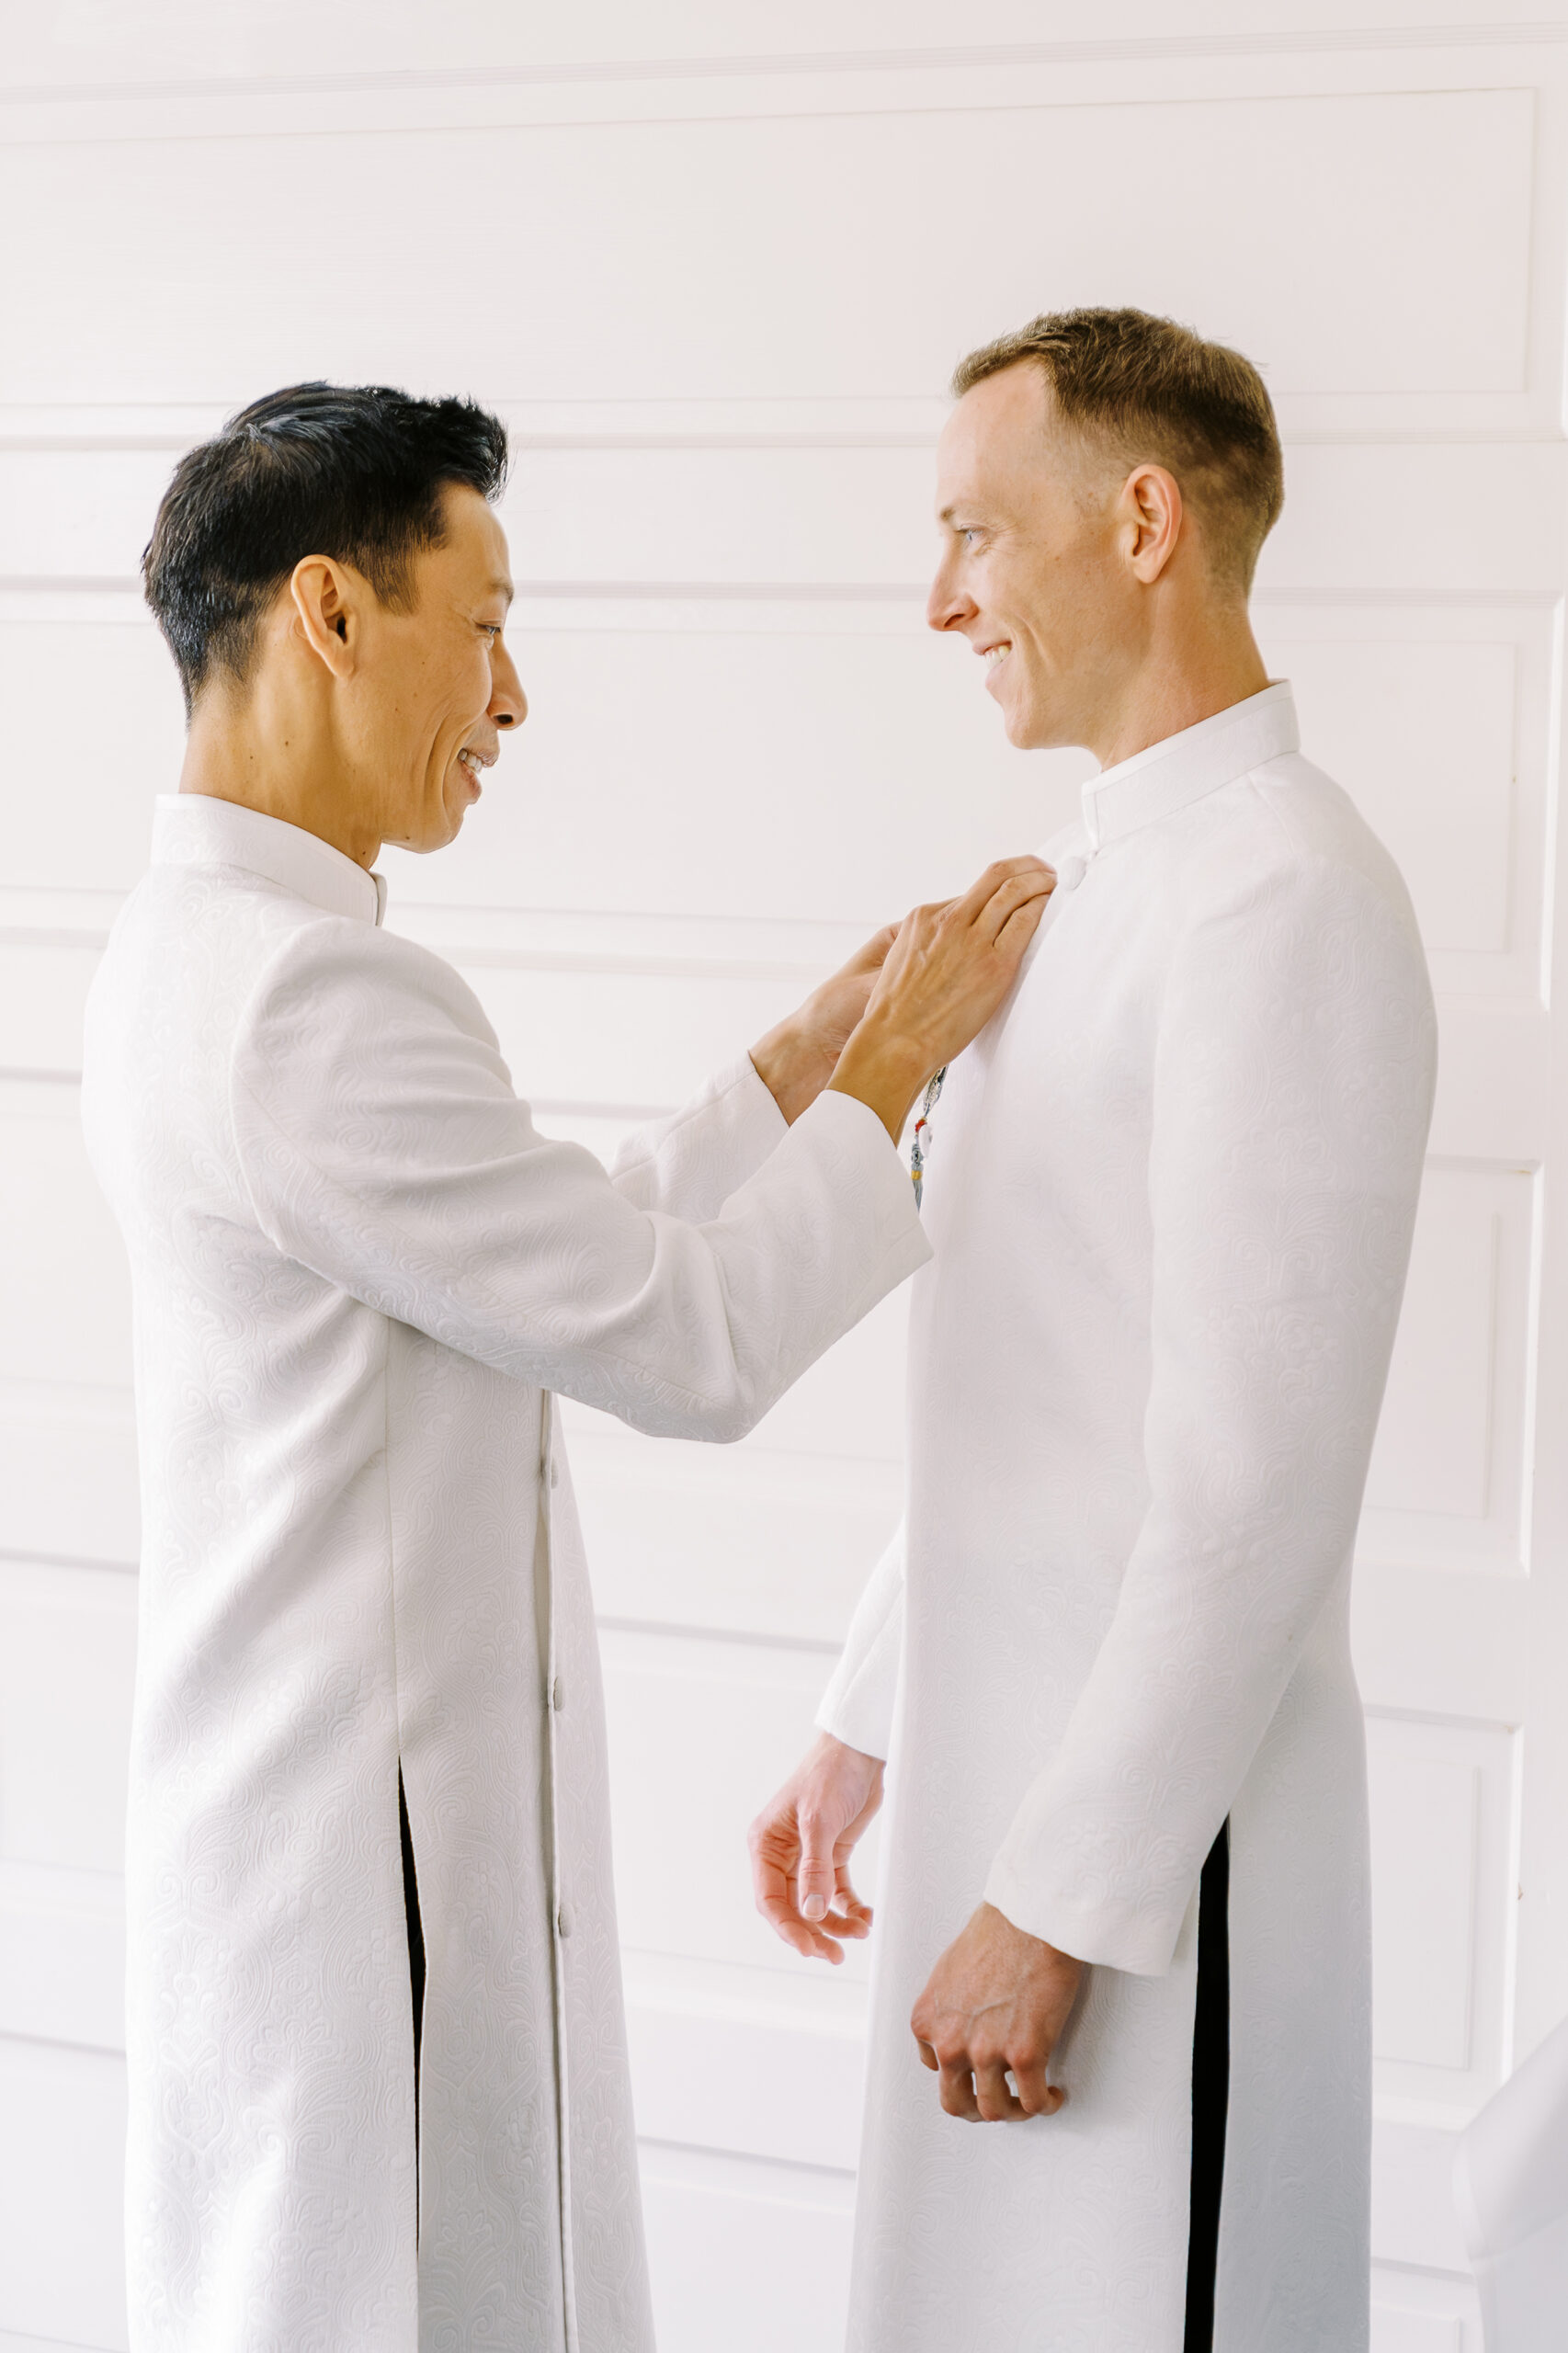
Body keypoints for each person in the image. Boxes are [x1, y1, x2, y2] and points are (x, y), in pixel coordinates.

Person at [79, 381, 1053, 2353]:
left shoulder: (199, 954)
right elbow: (681, 1340)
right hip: (372, 1908)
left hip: (307, 1865)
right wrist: (891, 1067)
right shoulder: (312, 997)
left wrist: (793, 1066)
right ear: (334, 614)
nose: (510, 702)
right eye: (488, 620)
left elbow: (516, 1253)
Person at [750, 309, 1437, 2353]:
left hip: (1154, 1857)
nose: (940, 593)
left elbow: (1252, 1481)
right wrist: (872, 1704)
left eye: (974, 528)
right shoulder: (1073, 892)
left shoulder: (1280, 894)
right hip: (1001, 1768)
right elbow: (1035, 1351)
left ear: (1142, 519)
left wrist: (1061, 1898)